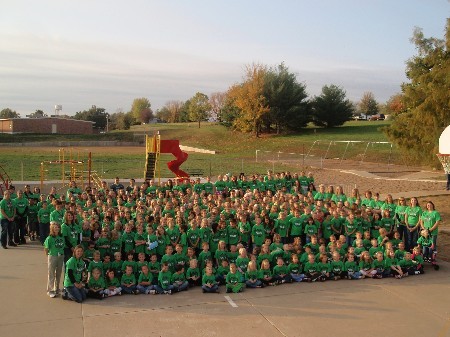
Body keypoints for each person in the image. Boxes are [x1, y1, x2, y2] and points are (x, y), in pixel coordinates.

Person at [44, 222, 65, 298]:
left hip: (61, 256)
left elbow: (63, 246)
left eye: (58, 227)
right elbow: (46, 248)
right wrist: (49, 256)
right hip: (53, 256)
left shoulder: (61, 237)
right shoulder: (49, 238)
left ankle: (56, 288)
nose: (57, 229)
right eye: (55, 227)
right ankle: (50, 290)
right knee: (51, 273)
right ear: (52, 228)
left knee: (58, 273)